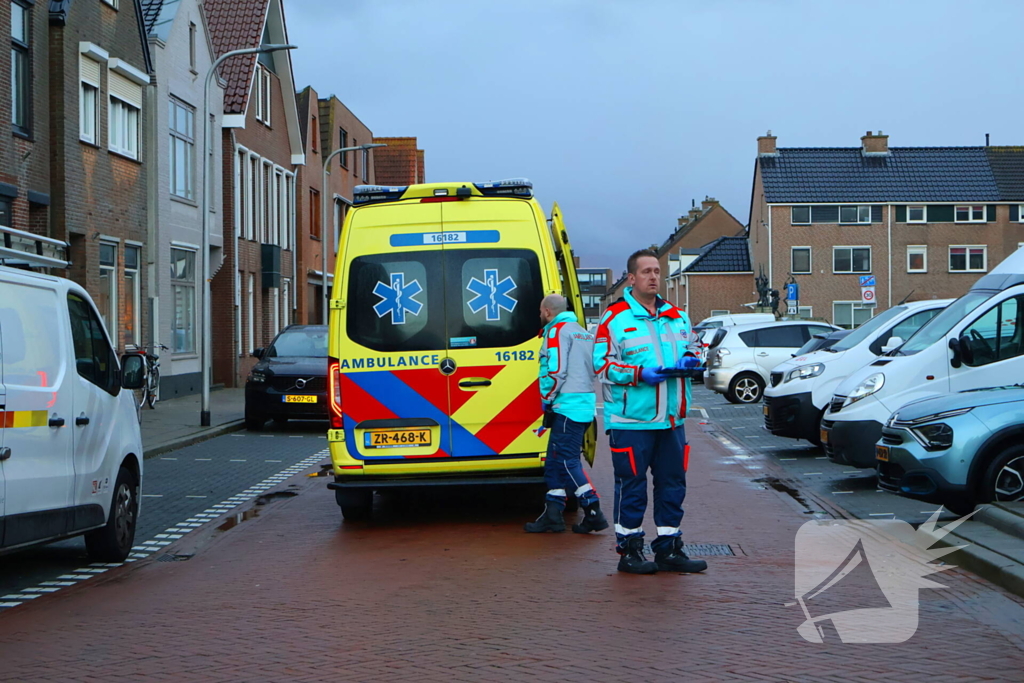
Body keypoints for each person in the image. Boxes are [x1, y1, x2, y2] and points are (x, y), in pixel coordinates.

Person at [592, 249, 708, 574]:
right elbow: (601, 365)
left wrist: (692, 357)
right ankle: (629, 552)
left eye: (657, 271)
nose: (654, 277)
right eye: (646, 271)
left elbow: (696, 345)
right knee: (632, 486)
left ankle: (669, 549)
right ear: (632, 278)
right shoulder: (614, 319)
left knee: (673, 484)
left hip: (672, 420)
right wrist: (640, 374)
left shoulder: (677, 316)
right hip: (632, 421)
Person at [525, 294, 608, 534]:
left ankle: (593, 509)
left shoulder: (556, 332)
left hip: (566, 406)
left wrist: (546, 398)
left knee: (566, 461)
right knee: (554, 461)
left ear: (547, 312)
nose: (540, 315)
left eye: (541, 311)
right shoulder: (582, 332)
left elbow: (556, 370)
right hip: (582, 405)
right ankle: (553, 513)